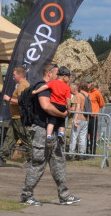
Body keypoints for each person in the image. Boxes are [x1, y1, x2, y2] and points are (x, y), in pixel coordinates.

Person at [20, 62, 81, 206]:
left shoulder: (55, 86)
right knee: (39, 162)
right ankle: (26, 195)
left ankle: (64, 195)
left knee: (58, 162)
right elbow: (46, 106)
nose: (59, 76)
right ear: (50, 74)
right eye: (57, 73)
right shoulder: (43, 87)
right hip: (42, 130)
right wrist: (63, 113)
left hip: (52, 130)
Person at [0, 66, 31, 167]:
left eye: (14, 75)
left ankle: (32, 159)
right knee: (10, 137)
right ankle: (2, 157)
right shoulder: (21, 85)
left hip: (20, 117)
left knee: (25, 138)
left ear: (20, 75)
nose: (13, 77)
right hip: (15, 117)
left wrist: (9, 99)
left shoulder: (23, 86)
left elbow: (23, 101)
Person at [45, 66, 72, 144]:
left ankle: (48, 136)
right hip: (62, 106)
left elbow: (45, 86)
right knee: (62, 123)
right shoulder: (67, 86)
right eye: (68, 77)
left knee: (51, 122)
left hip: (53, 105)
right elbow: (68, 99)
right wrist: (69, 109)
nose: (69, 79)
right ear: (64, 77)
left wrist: (36, 91)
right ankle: (61, 134)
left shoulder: (53, 82)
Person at [68, 81, 90, 160]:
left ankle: (71, 153)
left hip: (79, 117)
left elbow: (78, 107)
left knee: (74, 136)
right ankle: (81, 154)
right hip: (85, 118)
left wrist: (75, 119)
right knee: (82, 137)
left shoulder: (78, 95)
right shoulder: (87, 95)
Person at [87, 80, 105, 155]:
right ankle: (84, 152)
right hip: (84, 116)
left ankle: (92, 152)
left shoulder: (96, 92)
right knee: (84, 135)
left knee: (93, 135)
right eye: (87, 83)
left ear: (92, 83)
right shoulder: (84, 92)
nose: (88, 84)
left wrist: (95, 108)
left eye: (89, 83)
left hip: (93, 117)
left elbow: (102, 104)